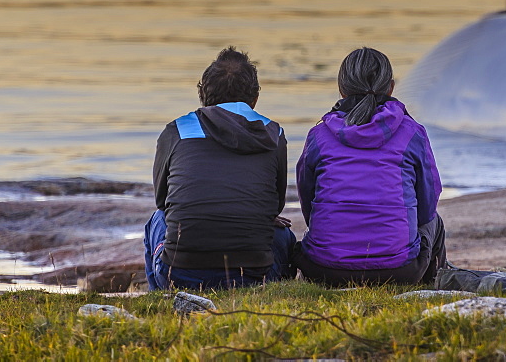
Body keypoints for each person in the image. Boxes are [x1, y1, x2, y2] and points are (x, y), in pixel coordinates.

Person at [143, 46, 296, 290]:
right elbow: (275, 205)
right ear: (255, 98)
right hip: (251, 276)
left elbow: (163, 201)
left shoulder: (177, 130)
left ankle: (163, 296)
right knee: (282, 234)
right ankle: (275, 292)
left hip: (180, 274)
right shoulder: (273, 133)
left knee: (157, 219)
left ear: (202, 94)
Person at [294, 47, 446, 286]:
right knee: (435, 223)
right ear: (391, 87)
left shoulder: (319, 136)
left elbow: (308, 201)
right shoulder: (412, 133)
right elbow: (427, 206)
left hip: (324, 269)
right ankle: (429, 288)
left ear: (341, 88)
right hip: (399, 270)